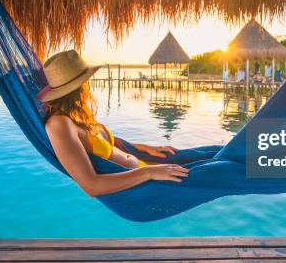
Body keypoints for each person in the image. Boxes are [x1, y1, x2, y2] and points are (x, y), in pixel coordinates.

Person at [38, 50, 188, 197]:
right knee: (208, 173)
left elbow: (107, 144)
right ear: (81, 86)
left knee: (208, 157)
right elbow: (91, 186)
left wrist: (145, 148)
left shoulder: (76, 115)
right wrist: (148, 172)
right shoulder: (59, 123)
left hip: (149, 170)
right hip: (144, 186)